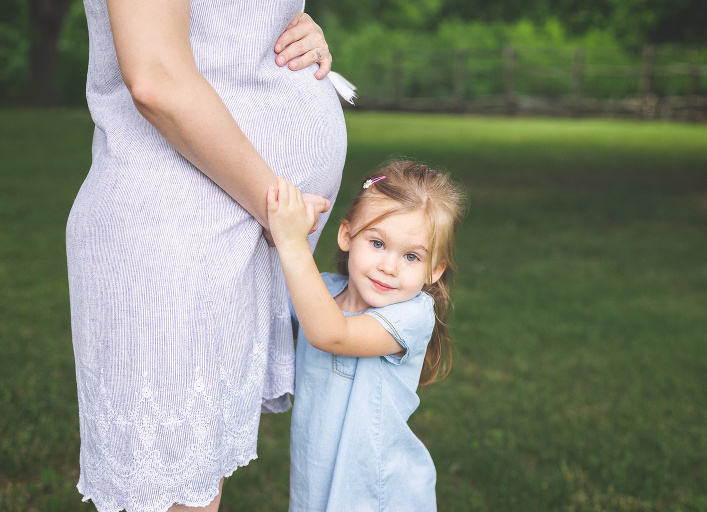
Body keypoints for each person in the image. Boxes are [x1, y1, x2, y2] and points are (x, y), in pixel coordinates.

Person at [65, 0, 347, 509]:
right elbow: (155, 76)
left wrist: (290, 34)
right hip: (171, 246)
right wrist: (277, 208)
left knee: (197, 491)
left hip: (220, 230)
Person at [265, 161, 467, 511]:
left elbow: (333, 334)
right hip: (317, 478)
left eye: (411, 256)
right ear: (346, 235)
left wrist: (291, 240)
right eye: (377, 243)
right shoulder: (322, 293)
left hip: (378, 491)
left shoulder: (412, 315)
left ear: (433, 271)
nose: (389, 266)